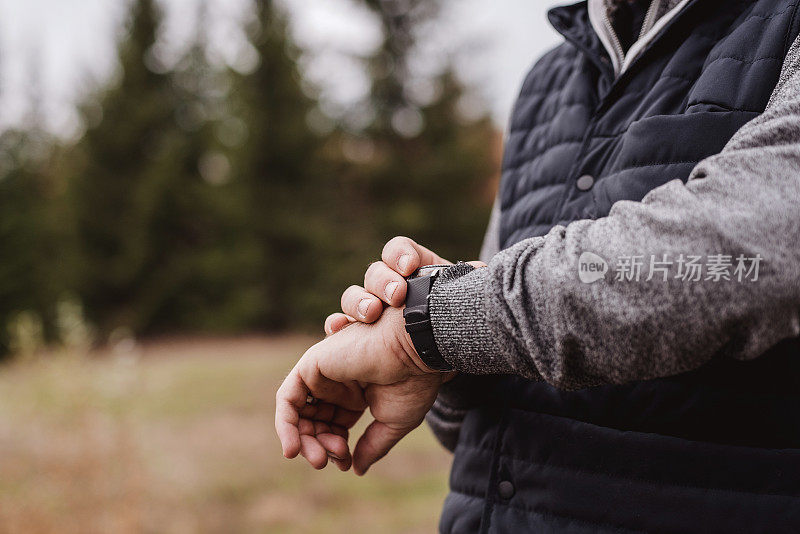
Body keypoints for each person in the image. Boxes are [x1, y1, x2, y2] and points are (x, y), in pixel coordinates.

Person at [275, 0, 800, 531]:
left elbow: (754, 248)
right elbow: (485, 365)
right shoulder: (545, 81)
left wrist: (430, 324)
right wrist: (437, 353)